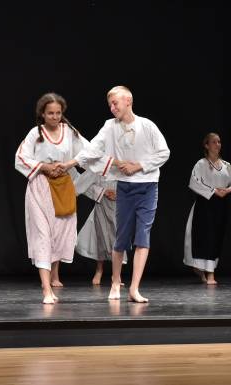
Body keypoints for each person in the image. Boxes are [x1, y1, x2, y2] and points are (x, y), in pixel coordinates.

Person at [74, 86, 170, 303]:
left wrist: (139, 166)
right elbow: (93, 149)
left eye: (115, 103)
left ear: (128, 101)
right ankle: (116, 281)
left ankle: (134, 288)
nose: (112, 107)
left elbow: (164, 152)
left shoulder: (147, 125)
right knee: (122, 236)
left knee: (143, 236)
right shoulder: (110, 126)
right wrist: (74, 161)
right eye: (110, 104)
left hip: (148, 187)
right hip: (125, 187)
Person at [15, 93, 88, 304]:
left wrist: (69, 164)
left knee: (59, 233)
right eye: (50, 113)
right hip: (40, 187)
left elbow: (89, 152)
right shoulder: (35, 133)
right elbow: (20, 158)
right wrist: (44, 166)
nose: (55, 117)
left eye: (58, 113)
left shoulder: (69, 132)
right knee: (43, 235)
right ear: (42, 114)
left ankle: (54, 274)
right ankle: (46, 289)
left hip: (63, 185)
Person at [183, 133, 231, 285]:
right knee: (206, 237)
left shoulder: (226, 166)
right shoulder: (201, 164)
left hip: (221, 206)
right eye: (214, 142)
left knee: (217, 238)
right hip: (205, 205)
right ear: (206, 145)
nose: (217, 144)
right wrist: (214, 191)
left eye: (219, 142)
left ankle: (205, 270)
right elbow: (194, 182)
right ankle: (209, 274)